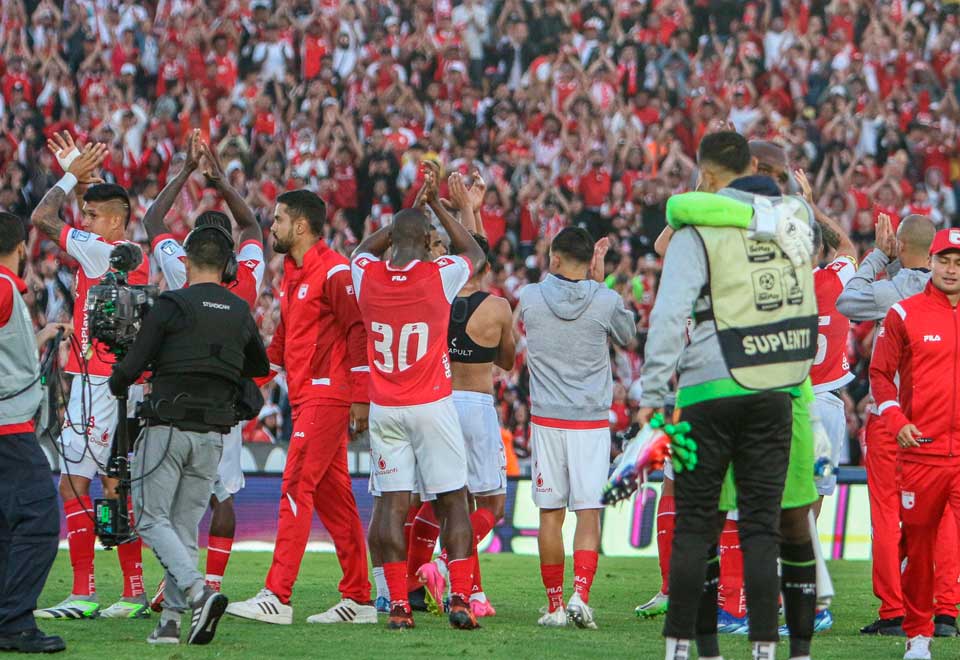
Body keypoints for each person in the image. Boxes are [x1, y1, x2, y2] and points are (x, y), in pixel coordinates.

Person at [641, 131, 818, 660]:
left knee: (696, 525)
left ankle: (688, 650)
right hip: (774, 387)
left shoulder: (695, 227)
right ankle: (768, 650)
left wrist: (653, 392)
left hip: (706, 389)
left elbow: (670, 316)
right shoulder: (793, 222)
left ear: (709, 174)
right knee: (762, 528)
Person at [107, 222, 269, 645]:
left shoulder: (171, 303)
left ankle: (199, 591)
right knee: (182, 525)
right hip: (213, 436)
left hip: (168, 426)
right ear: (228, 267)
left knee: (148, 516)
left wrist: (120, 376)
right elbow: (259, 367)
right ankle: (171, 623)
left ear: (186, 261)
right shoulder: (239, 310)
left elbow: (129, 368)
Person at [227, 190, 374, 625]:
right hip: (308, 395)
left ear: (302, 226)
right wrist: (243, 385)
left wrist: (361, 397)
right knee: (335, 502)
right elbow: (279, 347)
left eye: (278, 220)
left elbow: (358, 330)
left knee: (294, 483)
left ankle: (277, 594)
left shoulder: (335, 271)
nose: (272, 226)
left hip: (329, 395)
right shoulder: (291, 275)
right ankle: (360, 599)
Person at [142, 131, 265, 607]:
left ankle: (179, 580)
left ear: (192, 247)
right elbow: (253, 227)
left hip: (177, 396)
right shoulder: (248, 275)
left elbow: (153, 219)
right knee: (222, 494)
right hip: (228, 398)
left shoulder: (182, 270)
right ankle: (208, 582)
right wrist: (221, 181)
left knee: (172, 500)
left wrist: (187, 173)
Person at [30, 142, 150, 620]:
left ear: (115, 222)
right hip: (108, 380)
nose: (84, 221)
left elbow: (41, 217)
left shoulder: (103, 249)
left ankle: (85, 592)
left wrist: (65, 180)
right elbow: (99, 204)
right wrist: (84, 175)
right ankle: (133, 591)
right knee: (114, 481)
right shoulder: (119, 248)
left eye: (92, 215)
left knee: (78, 483)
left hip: (99, 383)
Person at [351, 206, 486, 631]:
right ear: (429, 243)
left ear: (391, 238)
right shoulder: (438, 275)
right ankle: (461, 599)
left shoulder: (366, 276)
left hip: (386, 408)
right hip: (431, 404)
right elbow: (474, 252)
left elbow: (358, 251)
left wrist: (391, 232)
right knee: (453, 501)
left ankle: (397, 607)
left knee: (392, 506)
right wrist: (441, 208)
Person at [837, 214, 960, 638]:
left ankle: (894, 610)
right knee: (944, 518)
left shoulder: (892, 295)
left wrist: (876, 257)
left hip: (892, 422)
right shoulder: (943, 300)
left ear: (901, 245)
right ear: (935, 255)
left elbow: (847, 301)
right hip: (942, 425)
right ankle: (944, 610)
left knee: (888, 514)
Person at [518, 226, 635, 629]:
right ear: (590, 264)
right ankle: (580, 597)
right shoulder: (605, 300)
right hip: (589, 422)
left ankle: (553, 607)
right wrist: (599, 283)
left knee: (550, 513)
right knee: (588, 511)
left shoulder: (529, 298)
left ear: (553, 259)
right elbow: (628, 335)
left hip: (546, 420)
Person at [413, 173, 516, 619]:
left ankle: (471, 591)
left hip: (438, 401)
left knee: (450, 500)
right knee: (491, 503)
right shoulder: (496, 308)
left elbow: (469, 248)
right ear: (483, 265)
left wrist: (466, 208)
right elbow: (508, 362)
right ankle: (442, 562)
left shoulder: (433, 295)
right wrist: (467, 209)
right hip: (475, 405)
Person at [870, 227, 960, 660]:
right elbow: (880, 374)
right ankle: (918, 637)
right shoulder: (904, 314)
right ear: (932, 260)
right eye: (945, 260)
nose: (951, 269)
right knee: (920, 548)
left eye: (959, 262)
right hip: (922, 450)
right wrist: (895, 418)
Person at [0, 211, 66, 653]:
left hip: (9, 424)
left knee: (8, 526)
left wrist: (40, 336)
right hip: (8, 427)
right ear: (22, 248)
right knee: (41, 518)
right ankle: (15, 621)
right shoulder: (4, 286)